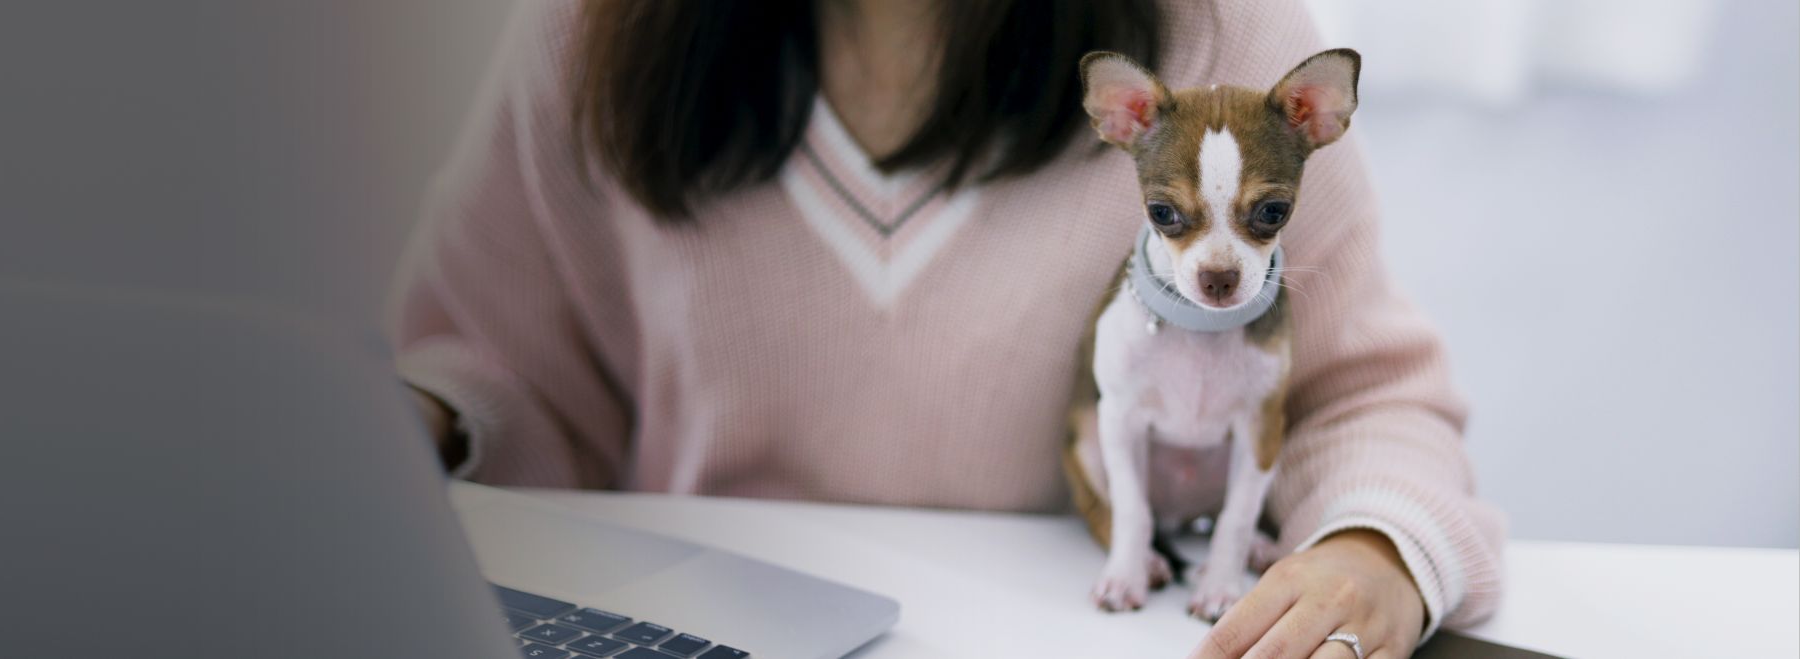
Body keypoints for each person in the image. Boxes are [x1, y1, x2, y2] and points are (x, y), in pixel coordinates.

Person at [388, 1, 1505, 656]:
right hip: (693, 626)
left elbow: (1362, 396)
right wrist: (397, 425)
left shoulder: (1216, 39)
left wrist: (1373, 551)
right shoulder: (590, 37)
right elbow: (489, 367)